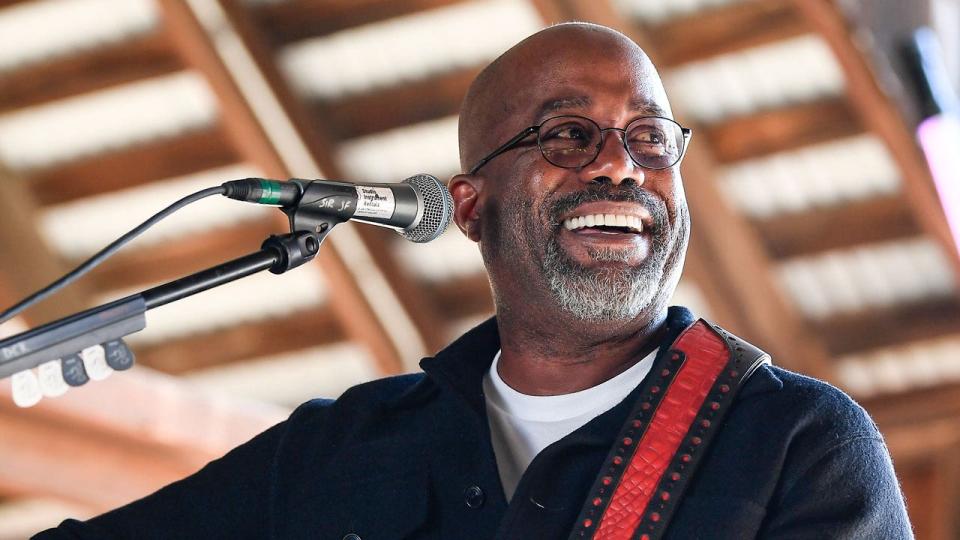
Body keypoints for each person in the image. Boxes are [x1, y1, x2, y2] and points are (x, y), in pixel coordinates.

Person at [36, 22, 912, 540]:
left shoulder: (801, 440)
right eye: (566, 134)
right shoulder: (339, 450)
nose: (621, 168)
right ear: (468, 206)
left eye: (650, 139)